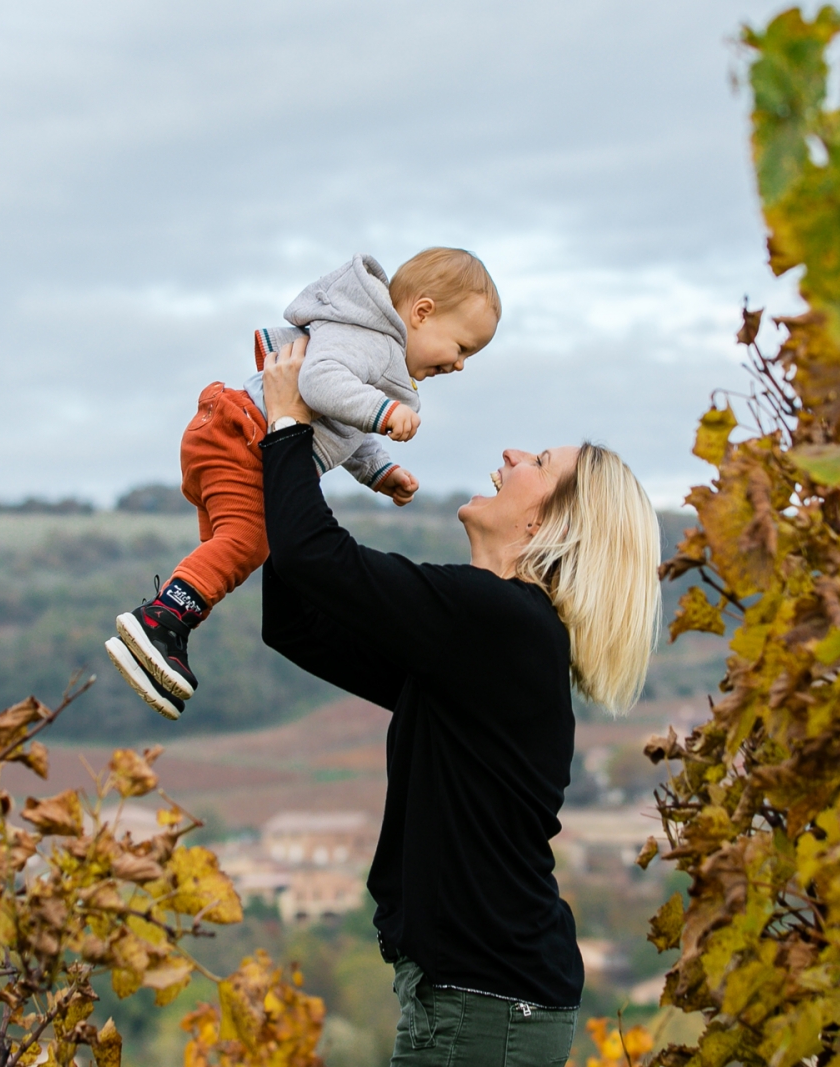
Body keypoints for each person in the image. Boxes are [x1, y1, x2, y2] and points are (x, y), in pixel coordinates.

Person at [254, 339, 661, 1066]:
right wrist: (296, 454)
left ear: (548, 525)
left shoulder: (500, 623)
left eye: (537, 461)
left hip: (485, 1005)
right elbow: (297, 622)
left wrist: (290, 429)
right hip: (482, 1000)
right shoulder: (489, 642)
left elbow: (314, 557)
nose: (509, 454)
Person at [104, 248, 501, 719]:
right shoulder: (372, 343)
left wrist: (379, 471)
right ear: (422, 313)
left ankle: (166, 632)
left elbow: (343, 427)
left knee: (227, 557)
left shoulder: (378, 353)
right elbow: (319, 383)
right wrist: (386, 412)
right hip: (243, 440)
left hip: (229, 435)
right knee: (246, 542)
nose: (460, 366)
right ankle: (160, 621)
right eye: (462, 348)